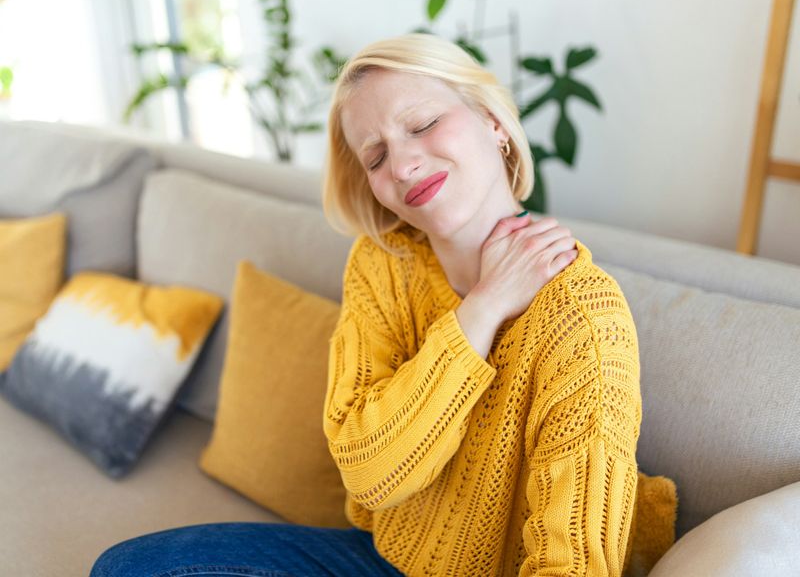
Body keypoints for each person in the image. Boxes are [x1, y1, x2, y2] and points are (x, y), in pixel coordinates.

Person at [90, 33, 641, 577]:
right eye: (376, 157)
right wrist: (483, 307)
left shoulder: (582, 314)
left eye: (422, 124)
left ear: (493, 122)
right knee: (127, 569)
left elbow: (574, 565)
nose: (401, 167)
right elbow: (369, 474)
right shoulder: (384, 261)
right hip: (375, 559)